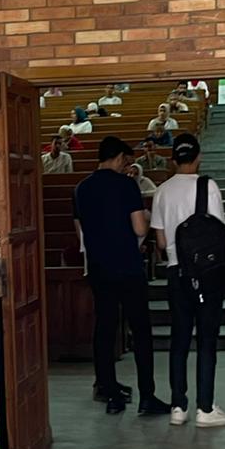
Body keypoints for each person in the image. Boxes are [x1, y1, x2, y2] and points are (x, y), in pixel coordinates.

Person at [73, 136, 170, 417]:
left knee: (105, 329)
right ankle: (147, 396)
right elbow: (139, 228)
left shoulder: (81, 189)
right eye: (125, 161)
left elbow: (81, 233)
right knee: (140, 330)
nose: (126, 166)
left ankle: (110, 394)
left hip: (99, 267)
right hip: (127, 266)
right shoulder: (126, 185)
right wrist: (147, 222)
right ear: (117, 158)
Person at [151, 133, 225, 428]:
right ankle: (205, 408)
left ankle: (178, 406)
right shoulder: (207, 186)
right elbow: (219, 231)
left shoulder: (161, 191)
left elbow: (161, 242)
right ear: (198, 157)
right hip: (206, 275)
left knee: (180, 339)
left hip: (176, 273)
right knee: (207, 340)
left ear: (173, 159)